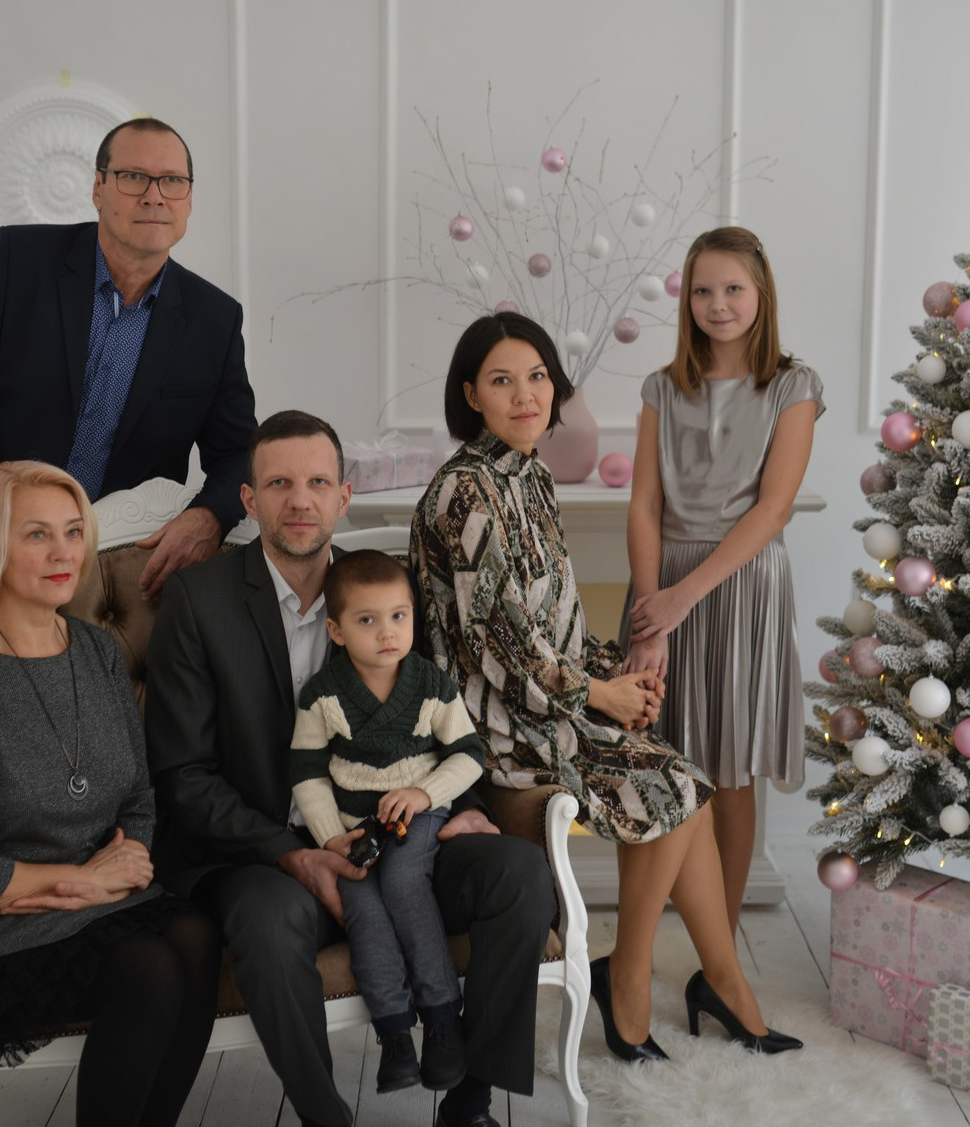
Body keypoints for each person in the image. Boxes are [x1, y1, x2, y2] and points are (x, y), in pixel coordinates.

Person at [411, 311, 803, 1064]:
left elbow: (552, 624)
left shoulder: (528, 474)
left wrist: (618, 671)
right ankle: (631, 980)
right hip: (495, 725)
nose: (525, 395)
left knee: (682, 783)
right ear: (471, 394)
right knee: (674, 782)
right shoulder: (466, 491)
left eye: (537, 377)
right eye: (501, 380)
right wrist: (597, 696)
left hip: (546, 705)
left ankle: (719, 982)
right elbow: (498, 646)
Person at [145, 409, 555, 1127]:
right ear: (248, 500)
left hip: (401, 835)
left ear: (344, 496)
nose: (299, 500)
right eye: (279, 484)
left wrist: (461, 803)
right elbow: (183, 773)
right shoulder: (199, 600)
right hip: (263, 852)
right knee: (268, 924)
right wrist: (293, 853)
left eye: (317, 483)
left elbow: (439, 712)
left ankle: (470, 1098)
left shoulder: (389, 592)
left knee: (517, 871)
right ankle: (325, 1116)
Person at [0, 461, 220, 1127]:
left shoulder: (97, 652)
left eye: (74, 532)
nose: (64, 552)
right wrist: (80, 882)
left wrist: (117, 868)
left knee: (194, 937)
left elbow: (137, 797)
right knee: (149, 967)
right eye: (37, 534)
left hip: (91, 898)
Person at [0, 116, 257, 600]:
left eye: (172, 181)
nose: (154, 196)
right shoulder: (19, 260)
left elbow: (238, 453)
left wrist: (209, 516)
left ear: (189, 199)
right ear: (98, 189)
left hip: (105, 582)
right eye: (133, 177)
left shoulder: (214, 318)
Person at [622, 226, 823, 935]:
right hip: (661, 587)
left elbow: (772, 510)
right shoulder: (662, 387)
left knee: (730, 775)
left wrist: (680, 599)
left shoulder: (792, 386)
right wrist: (651, 610)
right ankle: (642, 946)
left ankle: (722, 954)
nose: (717, 304)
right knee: (653, 763)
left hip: (739, 586)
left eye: (733, 288)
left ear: (760, 292)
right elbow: (644, 505)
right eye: (702, 290)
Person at [291, 549, 485, 1095]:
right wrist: (331, 837)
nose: (387, 632)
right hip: (354, 828)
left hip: (417, 810)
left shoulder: (430, 684)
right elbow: (307, 773)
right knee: (363, 906)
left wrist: (424, 794)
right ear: (336, 630)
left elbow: (469, 754)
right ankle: (395, 1034)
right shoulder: (322, 696)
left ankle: (443, 1020)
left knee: (402, 880)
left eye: (399, 616)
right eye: (367, 620)